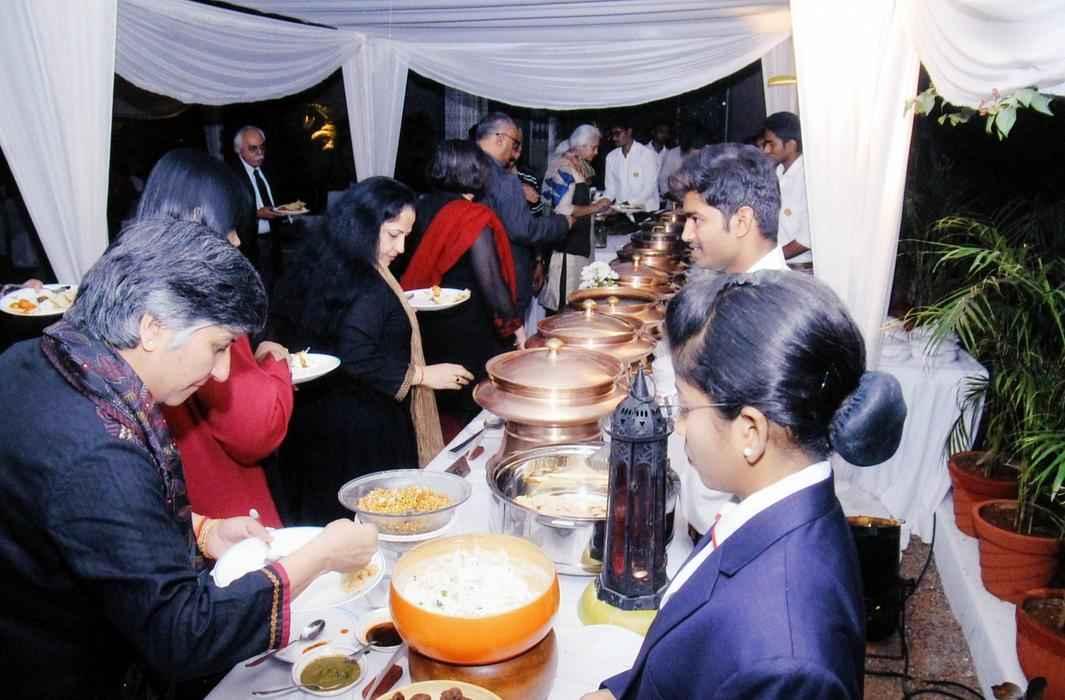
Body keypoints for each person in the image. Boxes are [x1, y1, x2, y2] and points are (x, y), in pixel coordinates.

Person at [0, 219, 378, 698]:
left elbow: (76, 519)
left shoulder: (30, 357)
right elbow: (182, 634)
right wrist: (320, 556)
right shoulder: (102, 447)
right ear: (152, 327)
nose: (221, 372)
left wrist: (203, 530)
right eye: (217, 346)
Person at [584, 271, 906, 700]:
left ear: (750, 432)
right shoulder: (779, 507)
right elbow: (692, 658)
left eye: (686, 407)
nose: (678, 426)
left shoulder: (790, 666)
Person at [271, 177, 473, 524]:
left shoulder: (325, 261)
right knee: (375, 516)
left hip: (315, 419)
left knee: (327, 514)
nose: (401, 248)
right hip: (362, 426)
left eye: (407, 236)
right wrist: (423, 375)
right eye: (394, 235)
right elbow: (357, 352)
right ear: (364, 225)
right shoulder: (369, 284)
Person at [136, 148, 294, 528]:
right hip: (220, 503)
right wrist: (276, 366)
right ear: (195, 219)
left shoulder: (134, 279)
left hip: (171, 499)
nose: (236, 241)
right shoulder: (201, 300)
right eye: (228, 227)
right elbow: (256, 429)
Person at [401, 140, 524, 432]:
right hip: (467, 327)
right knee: (475, 409)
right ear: (476, 171)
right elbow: (491, 281)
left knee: (440, 406)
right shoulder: (471, 216)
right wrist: (514, 326)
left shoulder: (418, 205)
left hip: (424, 322)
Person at [475, 112, 572, 315]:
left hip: (475, 278)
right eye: (515, 143)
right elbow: (524, 229)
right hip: (505, 275)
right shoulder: (505, 181)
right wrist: (563, 223)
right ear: (500, 139)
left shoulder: (466, 167)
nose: (515, 153)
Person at [670, 143, 787, 274]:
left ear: (741, 222)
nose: (686, 236)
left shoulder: (768, 288)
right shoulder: (735, 279)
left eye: (696, 220)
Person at [538, 124, 613, 312]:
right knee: (564, 306)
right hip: (567, 249)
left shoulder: (578, 165)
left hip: (579, 245)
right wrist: (595, 207)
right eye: (594, 147)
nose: (596, 152)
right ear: (582, 146)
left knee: (578, 303)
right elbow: (563, 209)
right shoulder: (563, 167)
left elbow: (578, 202)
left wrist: (596, 209)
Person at [232, 125, 286, 293]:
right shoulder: (230, 175)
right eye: (253, 148)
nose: (260, 153)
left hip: (274, 242)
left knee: (276, 290)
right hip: (248, 246)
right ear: (239, 150)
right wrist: (256, 214)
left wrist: (285, 210)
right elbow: (229, 211)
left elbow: (275, 198)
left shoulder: (269, 168)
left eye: (262, 147)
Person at [762, 111, 813, 271]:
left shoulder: (808, 179)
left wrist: (765, 259)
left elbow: (806, 240)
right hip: (776, 264)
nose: (766, 150)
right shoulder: (777, 173)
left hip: (799, 270)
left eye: (771, 144)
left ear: (791, 145)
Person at [603, 117, 660, 211]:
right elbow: (610, 189)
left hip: (645, 211)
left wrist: (624, 206)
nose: (614, 138)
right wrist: (601, 204)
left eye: (617, 133)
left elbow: (648, 190)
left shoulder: (647, 154)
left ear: (629, 132)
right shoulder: (611, 157)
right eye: (612, 134)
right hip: (621, 212)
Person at [658, 125, 710, 200]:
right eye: (681, 136)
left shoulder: (703, 153)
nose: (683, 139)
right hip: (675, 201)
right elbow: (663, 180)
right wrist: (674, 198)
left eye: (686, 137)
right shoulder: (672, 153)